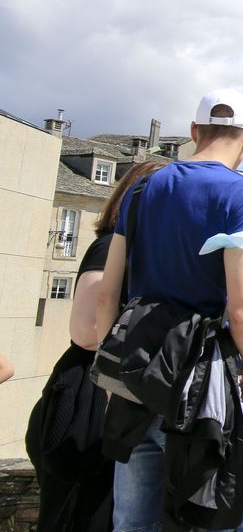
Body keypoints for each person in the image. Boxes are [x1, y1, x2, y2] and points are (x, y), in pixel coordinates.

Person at [94, 90, 243, 532]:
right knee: (220, 504)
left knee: (133, 513)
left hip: (138, 356)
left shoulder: (144, 187)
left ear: (193, 131)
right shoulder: (241, 194)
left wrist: (108, 370)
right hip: (202, 366)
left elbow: (108, 290)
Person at [26, 161, 163, 531]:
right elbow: (86, 331)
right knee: (81, 511)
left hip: (111, 383)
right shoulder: (109, 247)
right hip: (90, 388)